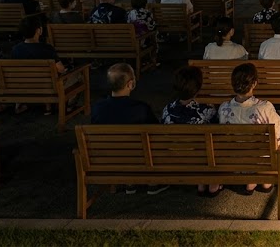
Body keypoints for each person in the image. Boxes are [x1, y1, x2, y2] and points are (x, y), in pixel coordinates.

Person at [91, 63, 164, 195]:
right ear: (130, 84)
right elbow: (156, 131)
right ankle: (152, 181)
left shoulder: (97, 108)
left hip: (106, 158)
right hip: (136, 157)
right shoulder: (141, 108)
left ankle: (130, 181)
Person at [218, 62, 280, 195]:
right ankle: (263, 180)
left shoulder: (224, 108)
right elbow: (278, 132)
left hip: (234, 157)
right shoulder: (264, 107)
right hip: (260, 158)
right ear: (254, 83)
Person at [160, 66, 221, 196]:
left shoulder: (167, 110)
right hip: (200, 158)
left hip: (174, 156)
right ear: (198, 87)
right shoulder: (207, 111)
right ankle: (209, 181)